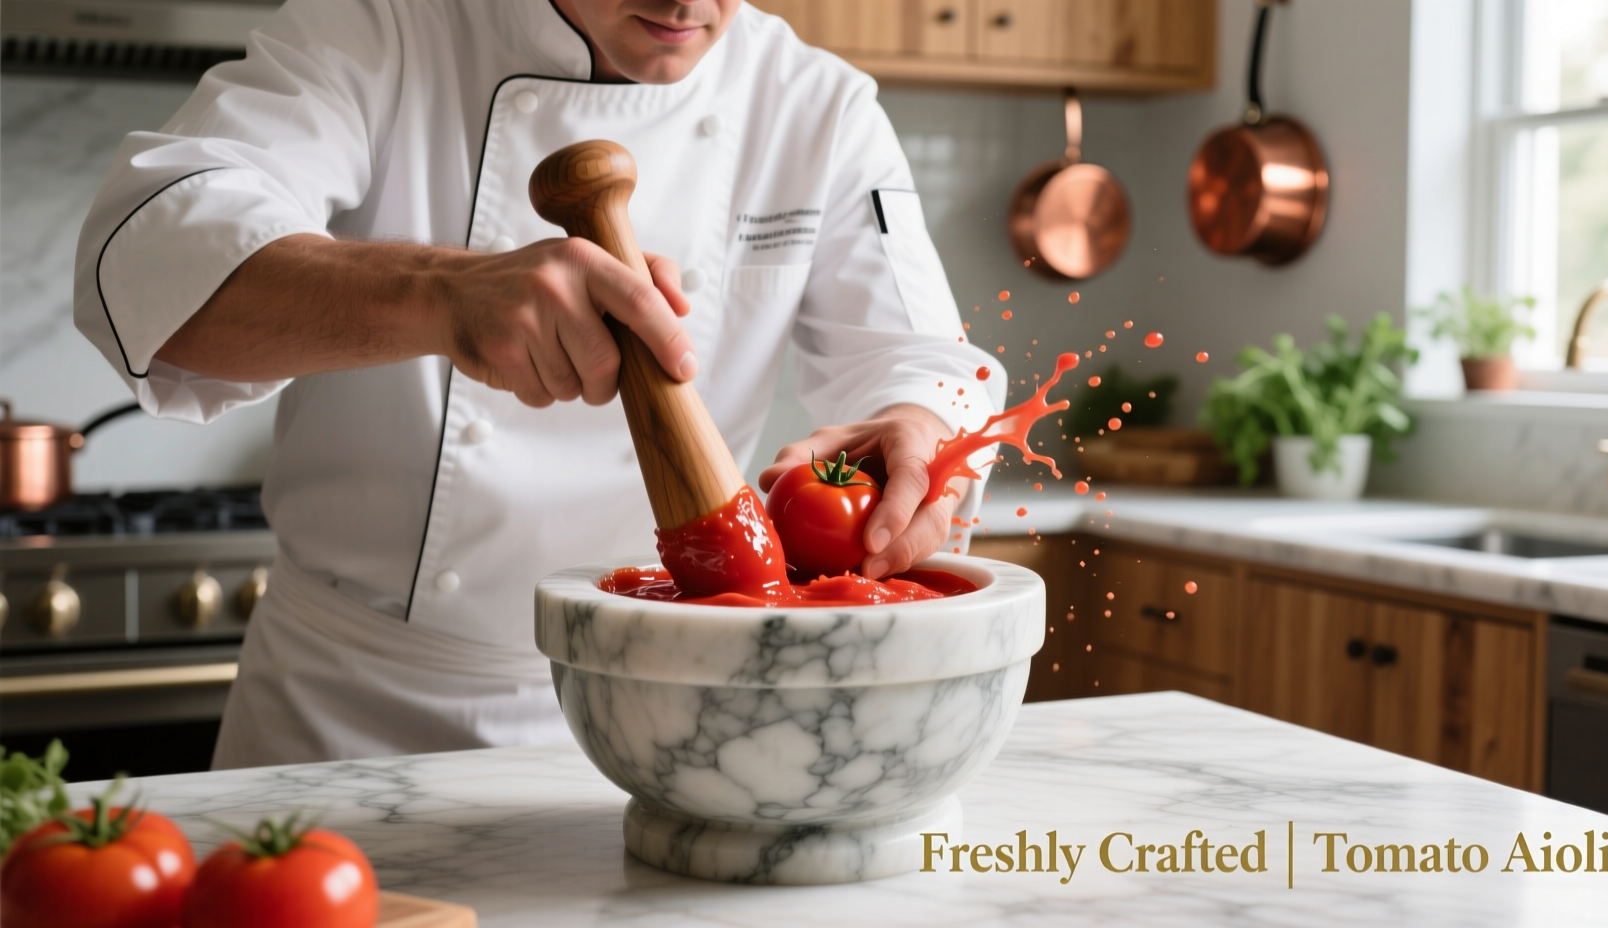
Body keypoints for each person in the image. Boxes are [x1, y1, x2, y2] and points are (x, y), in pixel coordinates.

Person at [74, 0, 1006, 769]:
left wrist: (920, 421)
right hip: (350, 722)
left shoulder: (815, 108)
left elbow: (925, 357)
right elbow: (146, 255)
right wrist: (440, 292)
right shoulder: (383, 28)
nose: (688, 5)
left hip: (673, 727)